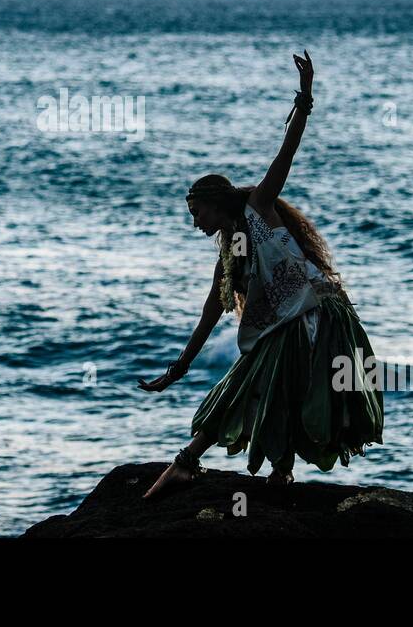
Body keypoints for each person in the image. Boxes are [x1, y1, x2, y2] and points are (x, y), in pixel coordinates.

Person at [138, 49, 383, 498]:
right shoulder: (232, 250)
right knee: (273, 385)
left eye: (198, 212)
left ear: (217, 201)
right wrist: (179, 368)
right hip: (291, 319)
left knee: (258, 382)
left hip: (318, 312)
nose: (195, 223)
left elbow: (286, 152)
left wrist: (305, 97)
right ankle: (277, 471)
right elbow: (211, 311)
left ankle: (189, 463)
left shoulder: (258, 207)